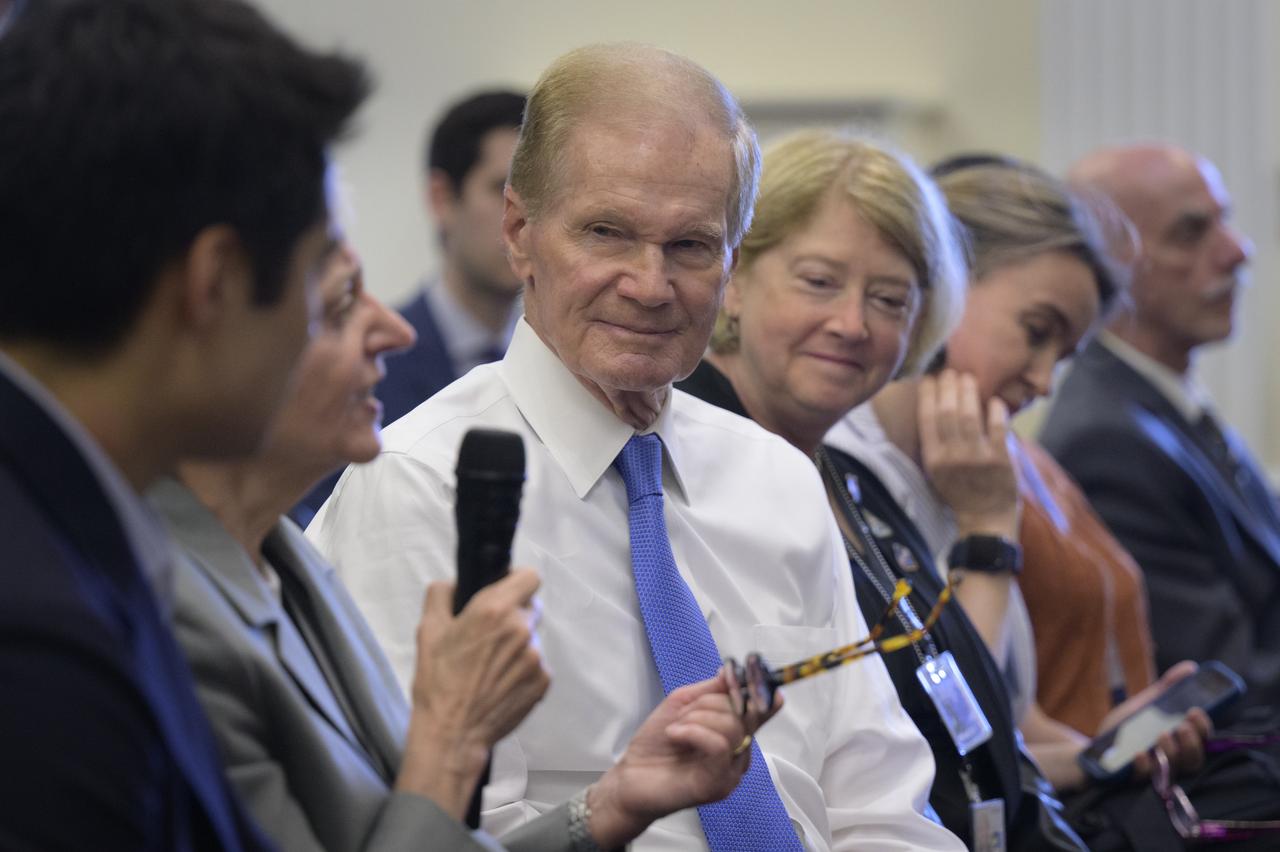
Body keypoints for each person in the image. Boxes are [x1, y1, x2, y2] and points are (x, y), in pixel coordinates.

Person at [309, 43, 962, 851]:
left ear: (732, 258)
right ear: (519, 231)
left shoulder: (777, 481)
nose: (651, 286)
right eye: (608, 233)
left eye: (690, 245)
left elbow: (887, 809)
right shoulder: (417, 488)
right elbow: (426, 834)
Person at [153, 239, 775, 851]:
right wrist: (451, 740)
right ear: (210, 320)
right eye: (341, 306)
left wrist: (611, 805)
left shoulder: (284, 559)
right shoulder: (162, 618)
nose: (394, 330)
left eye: (692, 245)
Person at [828, 157, 1280, 849]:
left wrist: (1113, 748)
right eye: (1035, 331)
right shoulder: (845, 475)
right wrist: (985, 535)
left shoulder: (962, 468)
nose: (1041, 381)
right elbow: (951, 746)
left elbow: (1012, 736)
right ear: (943, 286)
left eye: (1063, 355)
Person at [0, 0, 365, 847]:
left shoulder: (68, 533)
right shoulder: (40, 649)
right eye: (322, 281)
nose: (322, 326)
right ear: (217, 281)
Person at [676, 129, 1086, 849]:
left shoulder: (846, 479)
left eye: (891, 300)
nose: (852, 324)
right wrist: (988, 537)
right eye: (819, 281)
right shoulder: (693, 470)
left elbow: (960, 697)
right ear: (734, 277)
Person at [1041, 144, 1280, 711]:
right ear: (1108, 264)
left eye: (1225, 219)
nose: (1237, 251)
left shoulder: (1162, 402)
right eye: (1192, 232)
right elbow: (1225, 681)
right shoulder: (1106, 442)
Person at [295, 91, 527, 522]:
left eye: (539, 196)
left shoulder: (561, 373)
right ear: (442, 198)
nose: (523, 219)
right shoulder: (360, 366)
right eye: (502, 191)